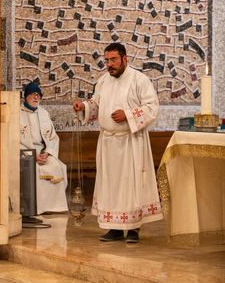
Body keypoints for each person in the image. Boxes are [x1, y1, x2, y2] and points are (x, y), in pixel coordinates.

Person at [73, 43, 163, 243]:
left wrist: (128, 115)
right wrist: (84, 107)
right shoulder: (103, 81)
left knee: (130, 186)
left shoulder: (140, 80)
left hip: (131, 142)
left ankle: (133, 229)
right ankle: (113, 227)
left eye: (113, 60)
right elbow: (96, 105)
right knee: (110, 186)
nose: (109, 64)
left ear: (124, 59)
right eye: (106, 60)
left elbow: (152, 107)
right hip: (107, 142)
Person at [20, 82, 68, 215]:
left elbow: (53, 138)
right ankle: (38, 207)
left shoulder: (44, 113)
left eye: (38, 95)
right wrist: (32, 155)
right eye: (32, 95)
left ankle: (53, 206)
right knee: (34, 170)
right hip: (26, 153)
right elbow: (14, 140)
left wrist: (47, 153)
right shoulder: (17, 114)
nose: (36, 98)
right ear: (26, 97)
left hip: (42, 152)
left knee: (58, 166)